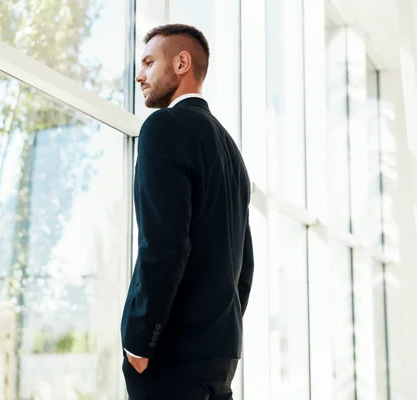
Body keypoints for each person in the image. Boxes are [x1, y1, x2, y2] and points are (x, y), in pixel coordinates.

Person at [120, 23, 254, 400]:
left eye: (148, 62)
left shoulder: (164, 127)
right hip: (219, 356)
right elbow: (244, 262)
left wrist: (141, 341)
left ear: (181, 63)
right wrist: (218, 329)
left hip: (170, 357)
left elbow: (162, 245)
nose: (139, 75)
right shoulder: (231, 150)